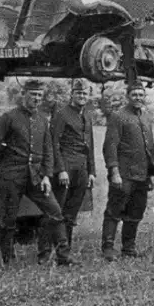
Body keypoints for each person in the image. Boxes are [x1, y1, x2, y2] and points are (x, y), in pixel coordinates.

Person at [0, 79, 76, 267]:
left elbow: (48, 151)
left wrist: (47, 176)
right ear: (23, 94)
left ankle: (63, 257)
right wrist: (10, 155)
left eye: (39, 95)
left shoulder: (42, 120)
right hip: (12, 175)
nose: (36, 98)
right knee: (8, 219)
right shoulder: (9, 117)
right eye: (33, 94)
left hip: (37, 177)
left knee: (55, 212)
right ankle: (9, 260)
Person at [101, 82, 154, 261]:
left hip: (142, 174)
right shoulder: (118, 116)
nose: (138, 98)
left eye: (141, 95)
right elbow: (110, 146)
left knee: (136, 211)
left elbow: (150, 148)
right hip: (124, 174)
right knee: (114, 210)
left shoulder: (146, 117)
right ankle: (108, 248)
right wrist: (114, 172)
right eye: (134, 95)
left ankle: (129, 248)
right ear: (128, 97)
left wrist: (152, 173)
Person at [48, 79, 97, 258]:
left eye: (84, 93)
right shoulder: (62, 114)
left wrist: (92, 172)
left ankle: (65, 250)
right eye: (78, 93)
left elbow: (89, 145)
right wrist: (61, 169)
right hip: (66, 167)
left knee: (72, 212)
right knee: (57, 211)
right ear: (72, 94)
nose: (82, 96)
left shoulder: (87, 116)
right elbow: (54, 143)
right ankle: (47, 251)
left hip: (81, 169)